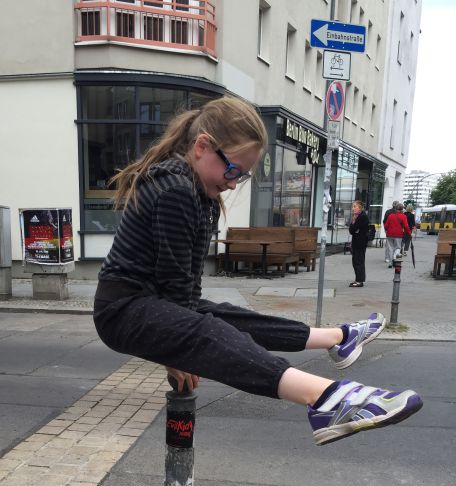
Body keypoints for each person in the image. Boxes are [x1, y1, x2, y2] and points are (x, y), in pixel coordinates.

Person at [93, 97, 422, 446]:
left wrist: (177, 345)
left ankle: (337, 338)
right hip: (123, 310)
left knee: (228, 318)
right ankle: (325, 398)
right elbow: (178, 292)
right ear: (202, 146)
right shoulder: (175, 190)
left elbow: (186, 289)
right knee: (211, 330)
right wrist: (178, 352)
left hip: (150, 303)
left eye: (242, 175)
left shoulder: (195, 191)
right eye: (232, 171)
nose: (234, 183)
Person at [348, 200, 369, 287]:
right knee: (355, 261)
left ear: (360, 208)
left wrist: (354, 223)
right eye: (353, 206)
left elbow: (352, 229)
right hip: (356, 242)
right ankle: (357, 279)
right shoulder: (357, 217)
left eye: (355, 206)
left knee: (359, 261)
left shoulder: (362, 217)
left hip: (360, 243)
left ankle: (360, 281)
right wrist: (353, 222)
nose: (353, 208)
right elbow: (351, 230)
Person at [383, 202, 411, 266]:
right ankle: (394, 258)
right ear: (402, 209)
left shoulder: (390, 216)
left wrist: (386, 230)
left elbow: (386, 225)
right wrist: (409, 233)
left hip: (389, 234)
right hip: (398, 235)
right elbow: (406, 226)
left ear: (396, 209)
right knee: (398, 248)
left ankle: (390, 263)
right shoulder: (403, 216)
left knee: (390, 248)